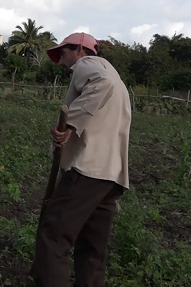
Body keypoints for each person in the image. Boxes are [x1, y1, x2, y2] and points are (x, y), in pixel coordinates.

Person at [32, 32, 131, 287]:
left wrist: (70, 123)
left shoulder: (87, 65)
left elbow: (102, 83)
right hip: (110, 176)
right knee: (91, 250)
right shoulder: (115, 75)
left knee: (53, 239)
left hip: (87, 170)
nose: (61, 62)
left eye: (63, 54)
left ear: (79, 49)